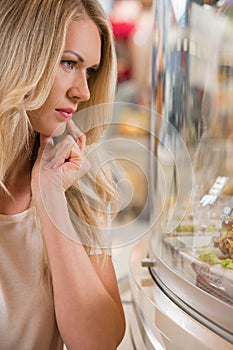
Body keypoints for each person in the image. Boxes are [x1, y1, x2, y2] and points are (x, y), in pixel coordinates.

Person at [0, 0, 126, 349]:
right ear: (18, 55)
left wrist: (49, 195)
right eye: (69, 63)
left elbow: (98, 342)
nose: (83, 92)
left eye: (90, 71)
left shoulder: (80, 183)